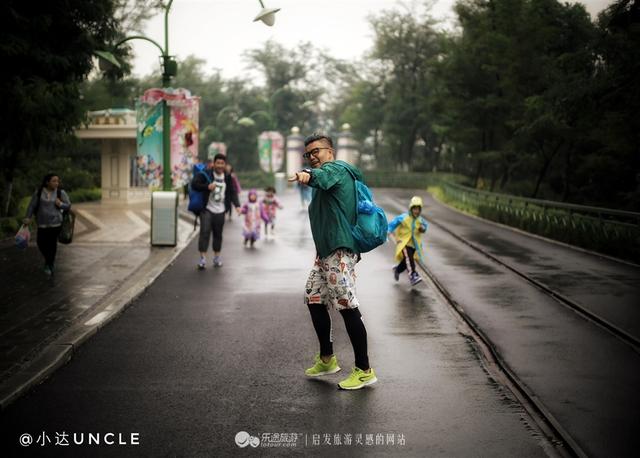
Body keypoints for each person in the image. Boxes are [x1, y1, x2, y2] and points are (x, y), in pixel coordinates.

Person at [288, 133, 377, 391]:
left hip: (339, 250)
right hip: (326, 252)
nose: (313, 156)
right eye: (308, 154)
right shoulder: (331, 172)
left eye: (316, 151)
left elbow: (322, 177)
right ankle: (327, 359)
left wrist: (308, 174)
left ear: (330, 151)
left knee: (347, 306)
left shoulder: (335, 169)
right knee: (314, 297)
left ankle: (364, 370)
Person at [192, 153, 240, 269]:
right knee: (205, 232)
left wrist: (237, 205)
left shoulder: (228, 177)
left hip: (221, 210)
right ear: (214, 164)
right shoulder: (206, 174)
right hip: (207, 208)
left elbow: (232, 192)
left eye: (222, 163)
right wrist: (206, 187)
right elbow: (194, 184)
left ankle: (216, 257)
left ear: (225, 165)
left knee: (218, 234)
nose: (219, 165)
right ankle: (202, 259)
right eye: (217, 163)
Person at [23, 173, 71, 276]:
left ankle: (49, 264)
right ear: (47, 182)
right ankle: (48, 260)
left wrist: (61, 204)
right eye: (54, 181)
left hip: (56, 224)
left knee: (52, 245)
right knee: (40, 243)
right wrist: (28, 217)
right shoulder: (39, 192)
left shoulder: (60, 192)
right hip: (42, 224)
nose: (56, 183)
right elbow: (32, 206)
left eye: (57, 181)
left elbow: (68, 206)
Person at [387, 196, 429, 286]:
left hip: (414, 245)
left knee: (406, 261)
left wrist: (422, 229)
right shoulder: (404, 217)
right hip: (403, 243)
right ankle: (413, 275)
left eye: (418, 209)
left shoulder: (420, 220)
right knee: (409, 259)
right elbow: (394, 223)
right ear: (411, 208)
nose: (416, 211)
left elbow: (425, 227)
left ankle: (397, 270)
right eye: (415, 209)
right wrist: (388, 230)